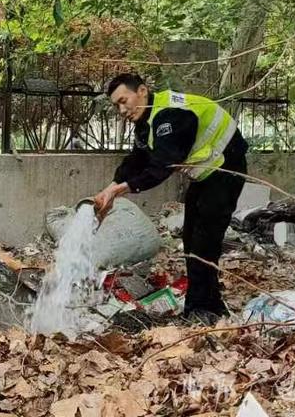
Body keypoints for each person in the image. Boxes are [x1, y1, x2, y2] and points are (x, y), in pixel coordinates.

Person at [94, 73, 248, 324]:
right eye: (116, 106)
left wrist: (118, 191)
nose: (122, 110)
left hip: (225, 168)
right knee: (190, 238)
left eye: (124, 100)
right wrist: (109, 188)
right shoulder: (148, 119)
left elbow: (161, 167)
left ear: (142, 90)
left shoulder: (171, 115)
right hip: (206, 174)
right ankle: (205, 304)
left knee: (204, 241)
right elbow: (138, 159)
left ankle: (204, 310)